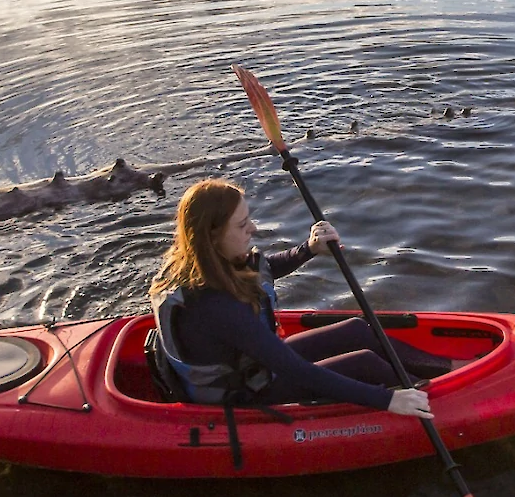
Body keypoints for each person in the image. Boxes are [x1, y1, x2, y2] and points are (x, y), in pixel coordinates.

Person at [145, 178, 447, 419]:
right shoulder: (216, 307)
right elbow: (297, 371)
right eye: (241, 225)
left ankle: (451, 369)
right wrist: (388, 400)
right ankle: (435, 400)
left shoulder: (203, 262)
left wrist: (309, 249)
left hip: (249, 367)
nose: (253, 228)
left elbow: (263, 268)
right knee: (363, 364)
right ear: (211, 236)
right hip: (243, 392)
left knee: (357, 329)